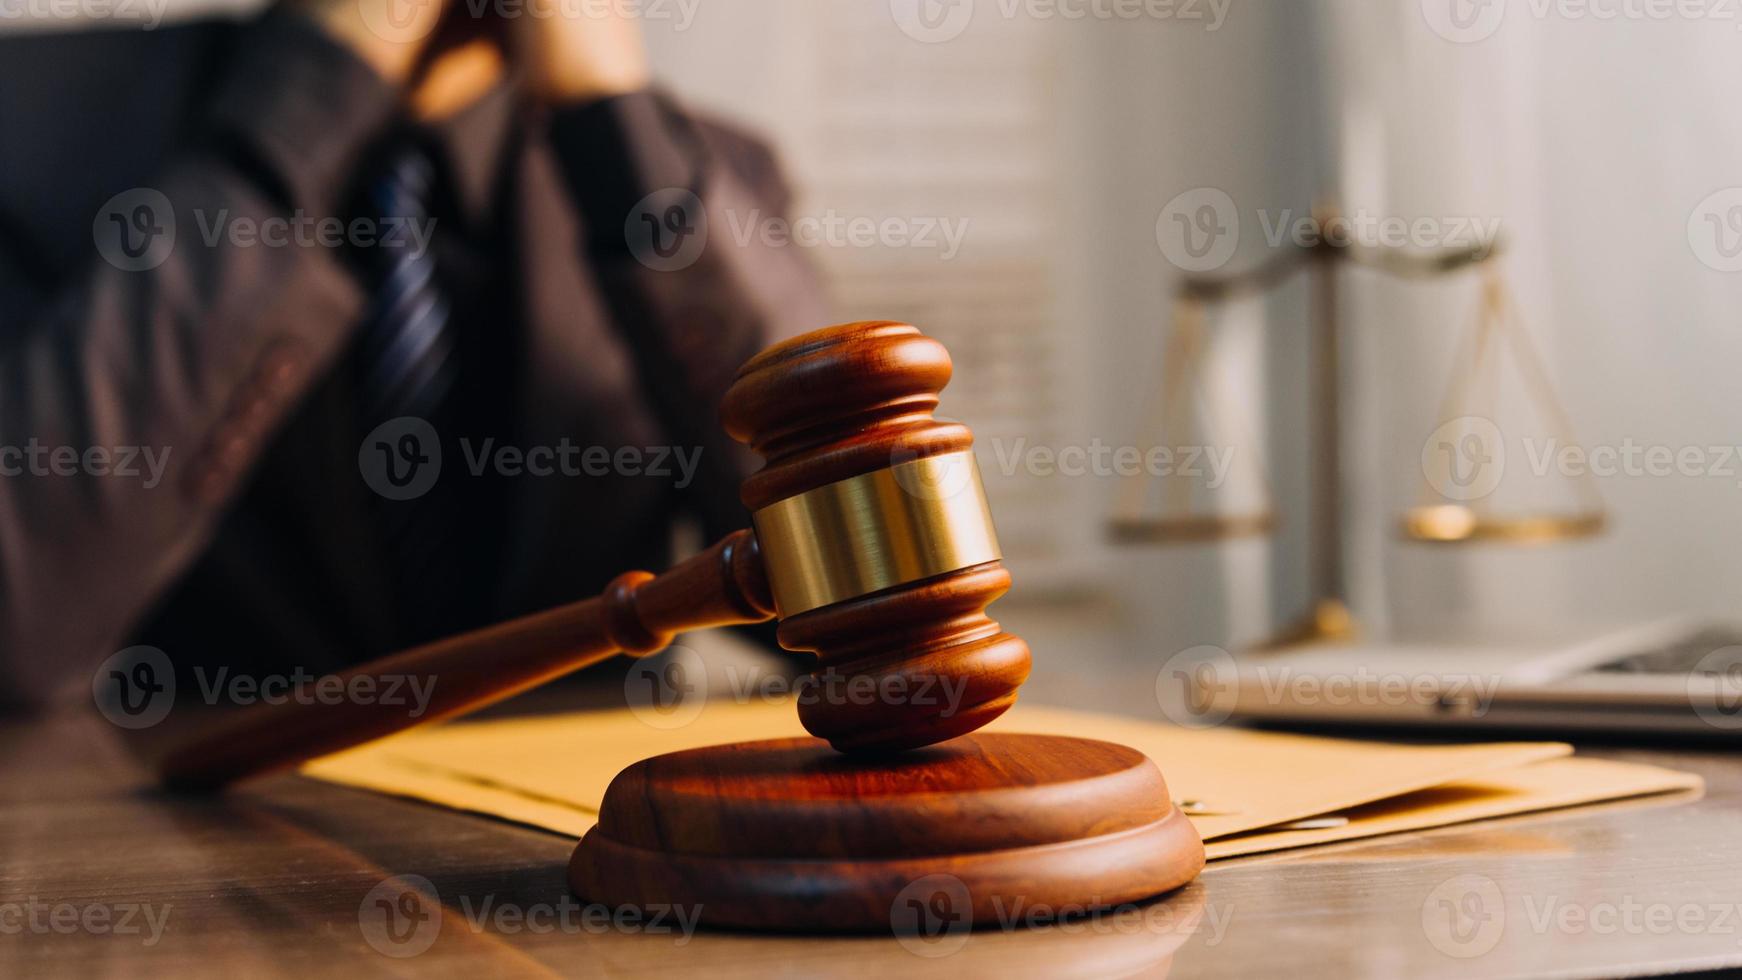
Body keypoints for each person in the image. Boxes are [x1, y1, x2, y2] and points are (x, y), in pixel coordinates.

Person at [0, 0, 826, 707]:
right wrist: (311, 101)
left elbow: (871, 599)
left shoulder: (706, 179)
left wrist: (617, 129)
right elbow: (19, 620)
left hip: (579, 866)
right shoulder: (32, 119)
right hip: (160, 856)